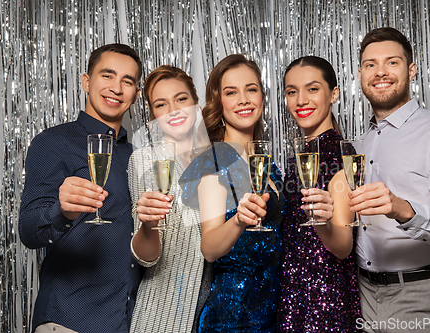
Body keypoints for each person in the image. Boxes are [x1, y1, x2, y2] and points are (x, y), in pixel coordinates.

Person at [351, 27, 430, 332]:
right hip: (363, 297)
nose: (380, 72)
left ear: (412, 70)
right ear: (360, 74)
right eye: (370, 65)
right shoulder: (357, 146)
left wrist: (402, 208)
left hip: (424, 296)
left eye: (392, 62)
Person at [18, 43, 143, 333]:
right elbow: (29, 230)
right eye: (107, 75)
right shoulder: (53, 142)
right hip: (70, 320)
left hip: (127, 322)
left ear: (136, 95)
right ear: (86, 81)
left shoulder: (138, 157)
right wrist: (61, 211)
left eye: (128, 81)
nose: (117, 87)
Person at [179, 54, 284, 332]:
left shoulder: (266, 164)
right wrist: (238, 220)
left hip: (273, 308)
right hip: (233, 315)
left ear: (262, 95)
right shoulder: (215, 161)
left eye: (251, 89)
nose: (244, 99)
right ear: (219, 102)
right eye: (231, 92)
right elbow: (210, 248)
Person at [278, 55, 361, 332]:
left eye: (312, 89)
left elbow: (343, 246)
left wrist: (324, 222)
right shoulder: (300, 157)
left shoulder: (340, 156)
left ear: (333, 94)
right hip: (293, 295)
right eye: (292, 91)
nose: (301, 100)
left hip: (325, 299)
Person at [128, 65, 208, 332]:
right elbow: (145, 258)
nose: (173, 110)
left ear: (196, 103)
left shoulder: (220, 157)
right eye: (161, 104)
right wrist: (148, 226)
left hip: (219, 312)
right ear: (153, 115)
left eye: (181, 99)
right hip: (163, 315)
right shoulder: (143, 160)